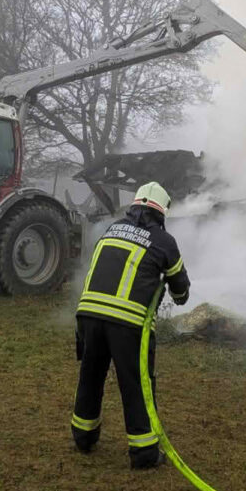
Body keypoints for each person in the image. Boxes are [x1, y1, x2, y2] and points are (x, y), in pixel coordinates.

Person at [72, 181, 190, 468]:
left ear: (134, 205)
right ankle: (145, 452)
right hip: (126, 323)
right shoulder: (164, 241)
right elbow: (181, 291)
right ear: (161, 212)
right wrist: (174, 292)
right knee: (136, 385)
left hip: (88, 314)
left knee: (90, 376)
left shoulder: (111, 229)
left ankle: (84, 437)